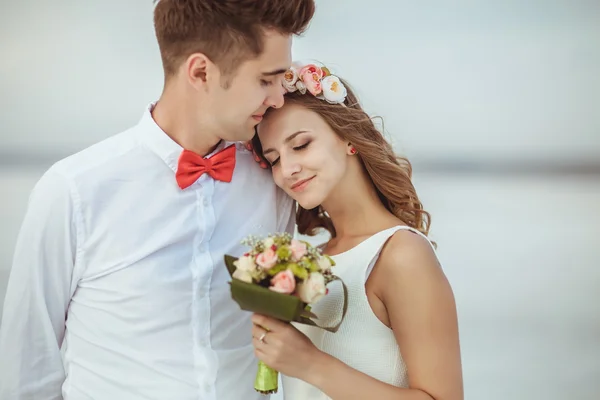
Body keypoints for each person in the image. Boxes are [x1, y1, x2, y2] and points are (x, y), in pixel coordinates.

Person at [0, 1, 315, 399]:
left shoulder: (277, 177)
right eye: (266, 81)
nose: (278, 99)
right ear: (201, 72)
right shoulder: (73, 191)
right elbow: (27, 374)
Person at [249, 63, 464, 400]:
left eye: (301, 145)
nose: (287, 169)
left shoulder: (400, 254)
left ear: (349, 139)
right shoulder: (311, 261)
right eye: (274, 159)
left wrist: (309, 364)